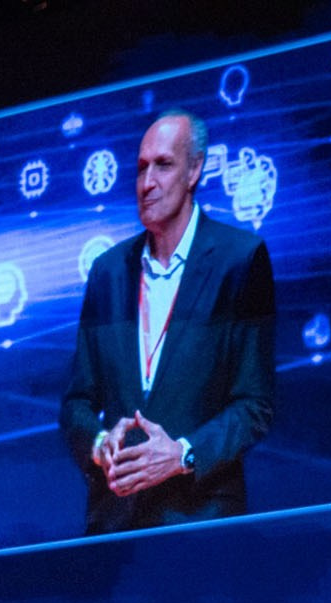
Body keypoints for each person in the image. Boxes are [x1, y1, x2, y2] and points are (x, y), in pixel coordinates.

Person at [60, 109, 275, 534]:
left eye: (163, 165)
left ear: (194, 169)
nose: (147, 183)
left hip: (202, 522)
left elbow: (255, 404)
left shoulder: (240, 260)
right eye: (141, 169)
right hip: (115, 527)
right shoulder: (108, 271)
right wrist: (101, 443)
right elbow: (76, 404)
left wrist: (182, 455)